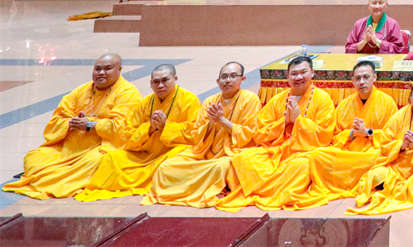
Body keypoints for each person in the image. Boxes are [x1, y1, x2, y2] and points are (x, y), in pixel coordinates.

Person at [253, 60, 400, 210]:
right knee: (317, 156)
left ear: (374, 77)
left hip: (371, 152)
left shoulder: (387, 103)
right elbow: (334, 136)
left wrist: (368, 133)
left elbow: (393, 136)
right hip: (337, 150)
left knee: (318, 159)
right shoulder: (344, 105)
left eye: (366, 77)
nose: (362, 82)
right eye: (358, 78)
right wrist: (285, 122)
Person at [4, 54, 141, 199]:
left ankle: (51, 180)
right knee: (34, 157)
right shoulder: (82, 91)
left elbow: (123, 128)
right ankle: (53, 177)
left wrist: (90, 124)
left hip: (102, 147)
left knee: (96, 162)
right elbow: (57, 118)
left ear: (119, 70)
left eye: (107, 69)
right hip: (69, 148)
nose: (101, 73)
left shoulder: (128, 93)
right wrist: (71, 122)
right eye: (97, 69)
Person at [217, 56, 336, 211]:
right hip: (276, 150)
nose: (298, 77)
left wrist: (299, 120)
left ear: (312, 73)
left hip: (304, 151)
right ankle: (266, 191)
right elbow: (259, 133)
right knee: (244, 157)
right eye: (294, 74)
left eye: (303, 72)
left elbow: (325, 135)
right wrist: (284, 122)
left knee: (300, 166)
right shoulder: (278, 100)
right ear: (287, 76)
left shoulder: (323, 99)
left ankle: (272, 192)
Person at [76, 64, 201, 201]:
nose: (160, 85)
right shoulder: (146, 102)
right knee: (112, 158)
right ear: (151, 84)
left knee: (177, 158)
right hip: (145, 153)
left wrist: (166, 126)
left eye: (165, 80)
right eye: (156, 82)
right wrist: (149, 128)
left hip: (170, 151)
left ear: (175, 79)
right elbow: (129, 133)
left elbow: (195, 133)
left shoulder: (189, 100)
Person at [145, 62, 262, 208]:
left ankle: (204, 189)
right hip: (205, 152)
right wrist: (211, 123)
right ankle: (192, 190)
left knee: (221, 167)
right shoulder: (209, 101)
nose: (227, 80)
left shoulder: (250, 99)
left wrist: (222, 121)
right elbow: (196, 134)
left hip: (232, 153)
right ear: (218, 81)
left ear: (242, 79)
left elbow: (249, 134)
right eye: (224, 77)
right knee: (166, 167)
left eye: (233, 76)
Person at [348, 76, 413, 214]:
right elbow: (385, 141)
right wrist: (401, 145)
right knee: (374, 176)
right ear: (410, 96)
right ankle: (392, 188)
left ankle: (396, 189)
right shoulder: (400, 115)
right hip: (397, 164)